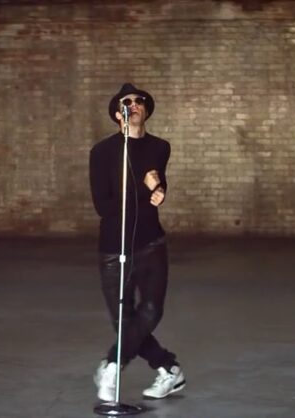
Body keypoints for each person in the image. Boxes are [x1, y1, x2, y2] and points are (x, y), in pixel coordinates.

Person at [88, 83, 185, 401]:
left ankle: (112, 365)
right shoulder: (102, 152)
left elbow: (158, 185)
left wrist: (160, 191)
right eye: (127, 102)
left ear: (145, 110)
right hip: (113, 247)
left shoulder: (160, 147)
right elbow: (104, 206)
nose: (134, 104)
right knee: (125, 320)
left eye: (139, 100)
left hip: (151, 242)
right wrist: (145, 190)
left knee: (152, 311)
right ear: (118, 114)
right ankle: (168, 368)